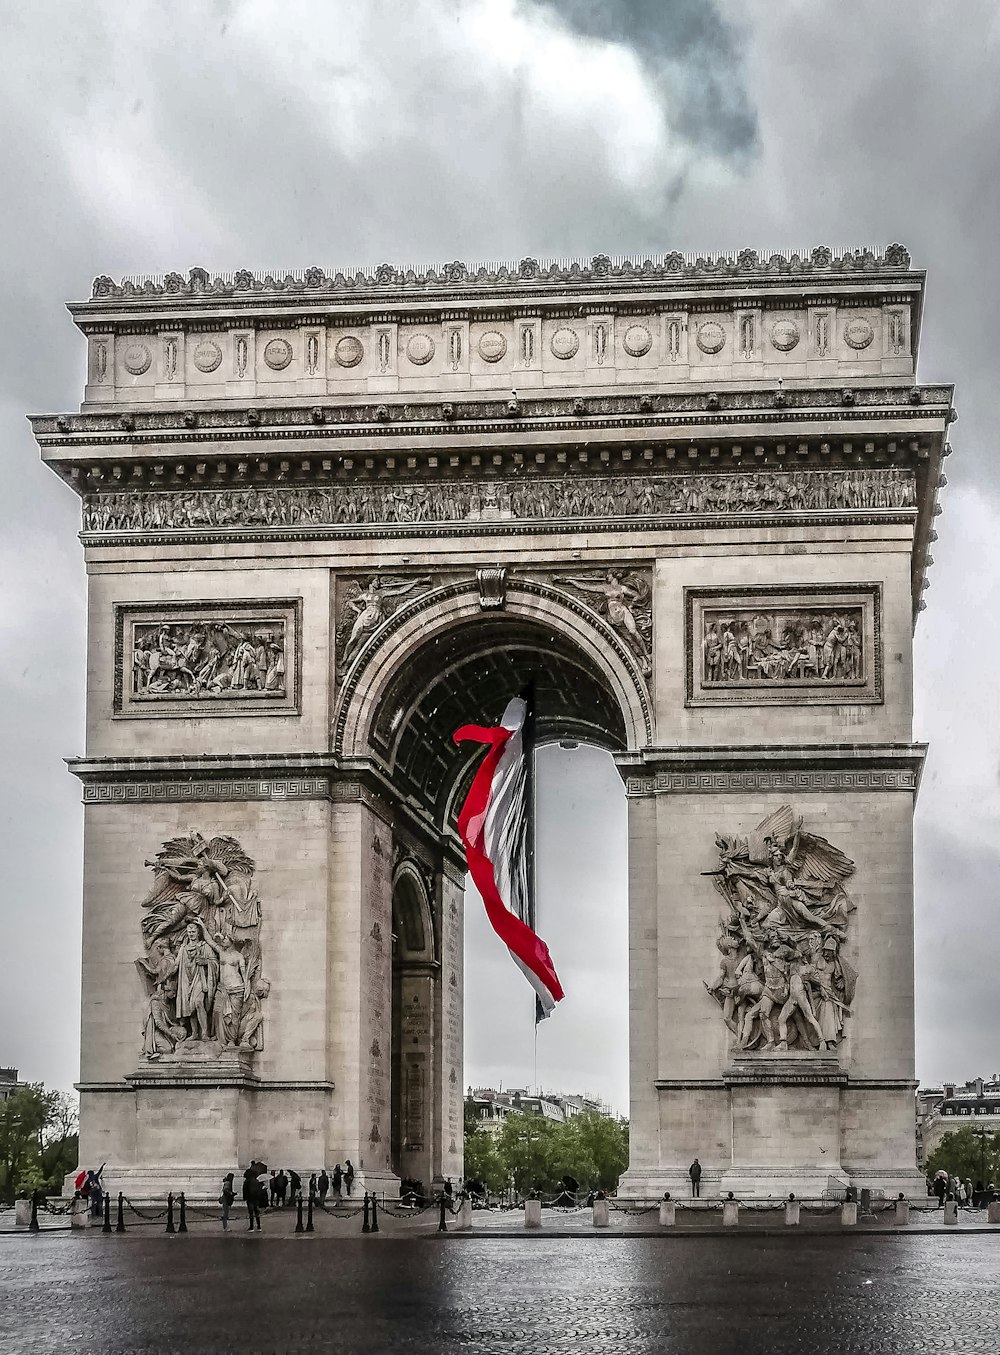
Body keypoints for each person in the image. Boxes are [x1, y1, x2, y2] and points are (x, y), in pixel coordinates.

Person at [243, 1164, 262, 1231]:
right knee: (257, 1213)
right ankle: (259, 1227)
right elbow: (259, 1189)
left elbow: (244, 1190)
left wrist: (245, 1198)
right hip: (256, 1198)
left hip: (250, 1199)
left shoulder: (247, 1181)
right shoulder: (257, 1181)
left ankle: (251, 1227)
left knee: (251, 1213)